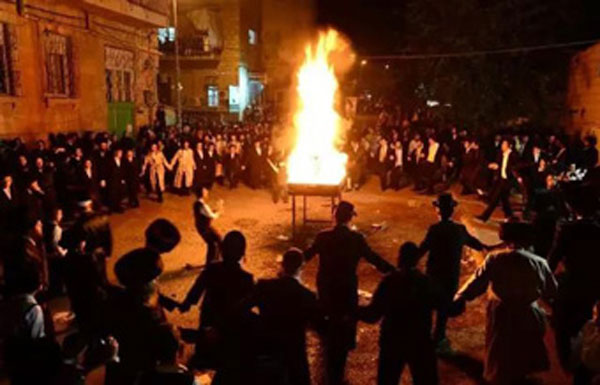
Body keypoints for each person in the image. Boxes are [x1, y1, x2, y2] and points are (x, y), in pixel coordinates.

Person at [452, 222, 558, 385]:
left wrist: (460, 296)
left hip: (501, 312)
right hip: (528, 312)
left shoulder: (495, 258)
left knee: (501, 351)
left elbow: (478, 281)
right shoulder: (539, 263)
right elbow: (551, 290)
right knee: (524, 350)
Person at [304, 201, 394, 385]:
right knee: (345, 326)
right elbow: (374, 259)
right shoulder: (356, 239)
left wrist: (288, 266)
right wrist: (393, 270)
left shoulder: (323, 236)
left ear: (334, 216)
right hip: (346, 289)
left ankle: (330, 365)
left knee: (329, 324)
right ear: (350, 218)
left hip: (327, 288)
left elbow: (307, 255)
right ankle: (340, 360)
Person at [417, 193, 489, 353]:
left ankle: (425, 338)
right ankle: (439, 338)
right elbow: (476, 244)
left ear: (438, 211)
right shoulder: (459, 230)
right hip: (450, 275)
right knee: (443, 309)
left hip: (434, 274)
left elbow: (423, 248)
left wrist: (409, 261)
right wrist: (489, 247)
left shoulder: (434, 229)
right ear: (452, 211)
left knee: (429, 306)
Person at [358, 242, 439, 385]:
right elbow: (445, 305)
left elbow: (373, 314)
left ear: (400, 258)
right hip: (419, 340)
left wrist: (351, 310)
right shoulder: (425, 282)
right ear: (417, 260)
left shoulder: (389, 281)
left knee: (387, 380)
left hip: (392, 340)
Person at [179, 231, 254, 380]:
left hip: (208, 322)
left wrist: (185, 304)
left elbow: (195, 292)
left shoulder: (212, 269)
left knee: (202, 364)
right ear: (242, 253)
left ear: (222, 250)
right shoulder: (247, 279)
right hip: (231, 330)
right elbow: (247, 309)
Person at [242, 248, 324, 385]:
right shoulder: (306, 296)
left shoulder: (264, 286)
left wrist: (258, 323)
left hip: (268, 351)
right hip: (294, 357)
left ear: (283, 265)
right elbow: (319, 325)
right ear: (301, 267)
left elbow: (242, 307)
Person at [548, 187, 600, 370]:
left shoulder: (567, 229)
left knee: (561, 325)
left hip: (571, 283)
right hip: (594, 284)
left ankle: (567, 365)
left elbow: (553, 260)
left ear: (571, 207)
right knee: (585, 320)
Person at [476, 138, 520, 222]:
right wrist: (495, 166)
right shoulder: (500, 154)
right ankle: (509, 215)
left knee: (496, 199)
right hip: (501, 179)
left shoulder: (514, 155)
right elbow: (500, 165)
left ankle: (485, 217)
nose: (502, 146)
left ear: (509, 146)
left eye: (504, 144)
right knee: (504, 200)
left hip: (508, 180)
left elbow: (515, 167)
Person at [193, 187, 223, 264]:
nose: (207, 192)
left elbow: (208, 213)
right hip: (204, 228)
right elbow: (212, 216)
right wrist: (219, 210)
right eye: (205, 192)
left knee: (217, 240)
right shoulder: (202, 205)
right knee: (214, 242)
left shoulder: (198, 204)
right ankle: (212, 262)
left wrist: (216, 209)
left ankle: (214, 260)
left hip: (203, 227)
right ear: (202, 194)